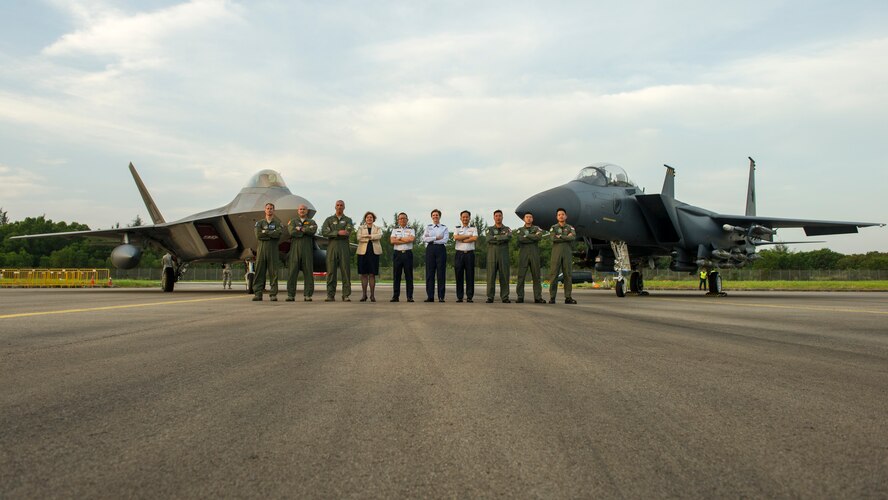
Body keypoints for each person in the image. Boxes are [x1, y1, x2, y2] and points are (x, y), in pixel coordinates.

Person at [321, 200, 355, 302]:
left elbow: (347, 232)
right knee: (331, 271)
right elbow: (324, 232)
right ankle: (330, 295)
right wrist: (338, 232)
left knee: (345, 270)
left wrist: (333, 232)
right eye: (337, 205)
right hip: (332, 246)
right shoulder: (329, 219)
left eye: (341, 205)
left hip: (344, 247)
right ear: (335, 207)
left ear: (344, 207)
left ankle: (346, 295)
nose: (339, 207)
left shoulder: (348, 220)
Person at [285, 204, 318, 301]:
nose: (302, 211)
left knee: (308, 271)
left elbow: (312, 231)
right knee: (292, 272)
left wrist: (300, 229)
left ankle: (308, 295)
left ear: (307, 211)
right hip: (295, 248)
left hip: (307, 249)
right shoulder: (293, 221)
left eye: (304, 209)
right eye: (300, 209)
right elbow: (292, 232)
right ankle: (291, 295)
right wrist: (305, 232)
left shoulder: (312, 222)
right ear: (298, 211)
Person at [252, 202, 283, 301]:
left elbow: (278, 234)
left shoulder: (278, 223)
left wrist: (265, 232)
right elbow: (258, 235)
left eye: (271, 208)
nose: (269, 210)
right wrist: (271, 233)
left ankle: (273, 294)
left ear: (274, 210)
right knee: (259, 272)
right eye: (268, 208)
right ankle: (258, 294)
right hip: (261, 250)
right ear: (265, 210)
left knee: (273, 273)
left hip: (273, 250)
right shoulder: (259, 223)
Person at [547, 207, 577, 304]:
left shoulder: (570, 228)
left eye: (563, 214)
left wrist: (560, 236)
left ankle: (568, 297)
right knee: (554, 275)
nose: (561, 216)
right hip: (556, 254)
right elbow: (553, 238)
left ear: (566, 216)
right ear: (557, 217)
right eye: (559, 215)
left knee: (568, 275)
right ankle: (552, 297)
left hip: (567, 253)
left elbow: (572, 237)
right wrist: (566, 237)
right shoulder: (553, 228)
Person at [515, 212, 545, 303]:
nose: (528, 218)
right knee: (521, 276)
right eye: (527, 217)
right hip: (523, 254)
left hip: (534, 254)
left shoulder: (537, 228)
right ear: (524, 219)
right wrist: (533, 237)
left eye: (530, 217)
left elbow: (539, 237)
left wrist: (527, 235)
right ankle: (520, 297)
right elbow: (520, 239)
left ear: (532, 219)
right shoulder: (520, 230)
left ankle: (538, 297)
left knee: (536, 276)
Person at [485, 209, 512, 303]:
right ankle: (490, 297)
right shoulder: (490, 229)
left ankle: (505, 297)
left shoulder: (507, 228)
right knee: (491, 276)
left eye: (500, 216)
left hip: (503, 255)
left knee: (504, 276)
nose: (498, 217)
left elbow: (508, 237)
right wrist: (501, 238)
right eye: (496, 216)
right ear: (494, 217)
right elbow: (488, 239)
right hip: (492, 255)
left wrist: (496, 237)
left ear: (502, 217)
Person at [356, 211, 383, 302]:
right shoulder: (360, 228)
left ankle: (372, 295)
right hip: (363, 253)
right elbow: (359, 237)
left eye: (371, 217)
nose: (369, 219)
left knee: (372, 274)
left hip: (374, 253)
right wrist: (371, 237)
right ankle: (364, 295)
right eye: (367, 217)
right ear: (365, 219)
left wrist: (368, 236)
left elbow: (379, 236)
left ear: (373, 219)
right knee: (363, 274)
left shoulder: (378, 228)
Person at [423, 209, 448, 302]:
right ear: (431, 217)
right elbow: (425, 239)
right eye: (433, 215)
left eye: (437, 215)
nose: (435, 217)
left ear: (439, 216)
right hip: (430, 249)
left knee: (441, 273)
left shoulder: (444, 228)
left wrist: (431, 239)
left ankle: (441, 296)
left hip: (441, 249)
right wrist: (436, 238)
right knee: (430, 273)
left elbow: (445, 240)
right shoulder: (428, 227)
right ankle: (430, 296)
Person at [453, 210, 478, 303]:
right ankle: (459, 297)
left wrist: (463, 238)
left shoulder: (473, 228)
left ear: (469, 218)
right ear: (460, 218)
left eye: (467, 217)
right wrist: (468, 236)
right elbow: (456, 237)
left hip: (470, 254)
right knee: (459, 275)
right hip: (459, 254)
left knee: (470, 276)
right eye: (463, 217)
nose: (465, 218)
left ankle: (469, 296)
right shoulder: (457, 228)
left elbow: (475, 238)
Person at [390, 212, 415, 302]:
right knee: (397, 276)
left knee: (409, 276)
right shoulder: (394, 230)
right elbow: (392, 241)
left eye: (404, 218)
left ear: (407, 220)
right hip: (397, 254)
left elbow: (411, 239)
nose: (402, 220)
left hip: (408, 254)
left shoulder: (411, 229)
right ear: (398, 220)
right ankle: (395, 296)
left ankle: (409, 296)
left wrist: (399, 238)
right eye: (400, 218)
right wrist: (405, 240)